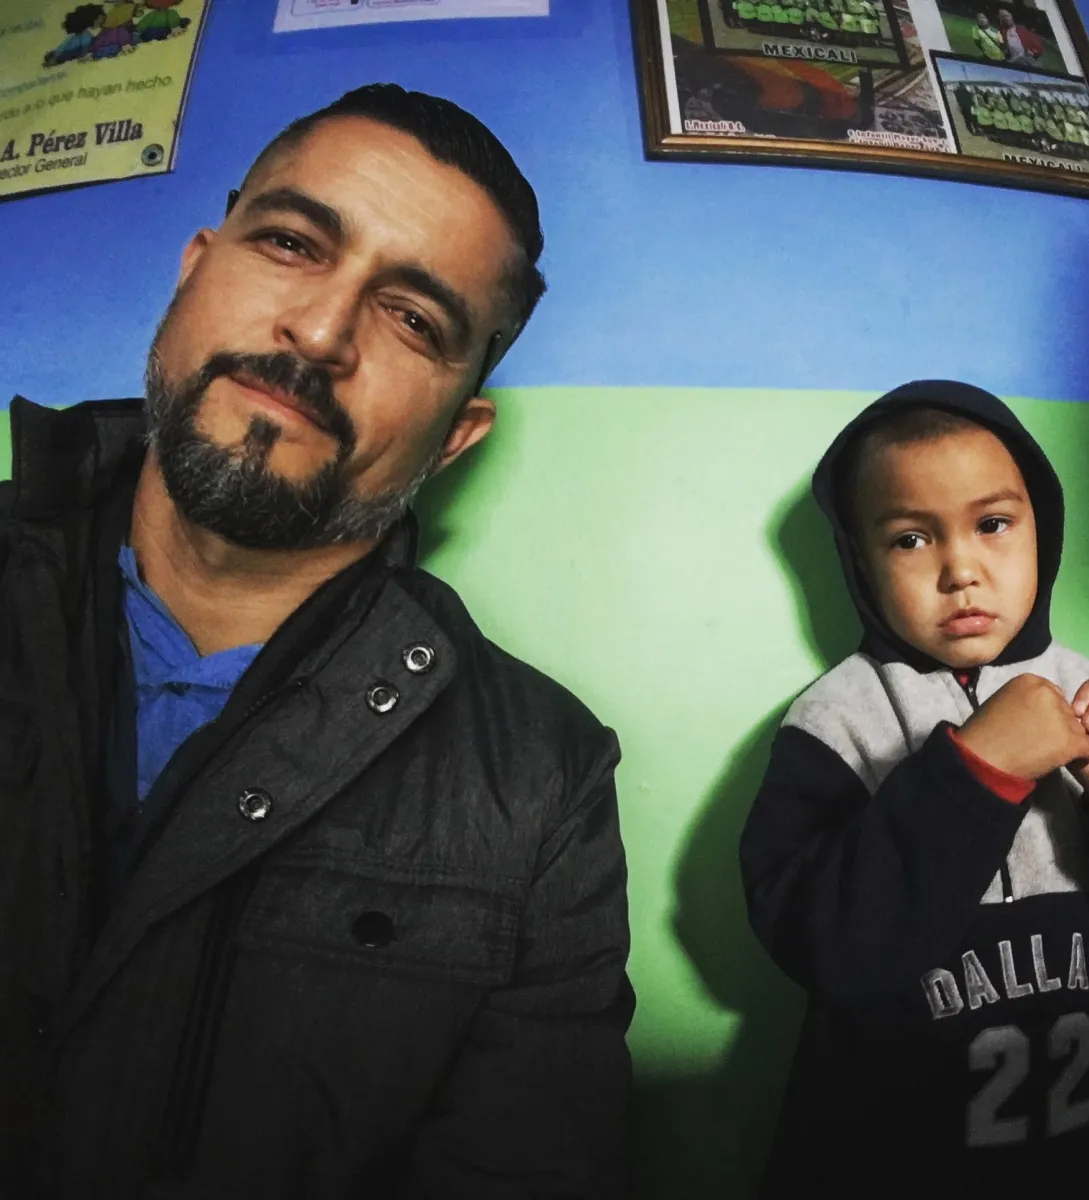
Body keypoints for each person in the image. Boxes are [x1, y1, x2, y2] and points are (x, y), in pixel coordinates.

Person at [0, 84, 633, 1198]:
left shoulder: (545, 779)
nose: (322, 333)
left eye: (412, 319)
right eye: (292, 243)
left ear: (457, 436)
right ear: (196, 264)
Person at [740, 380, 1089, 1198]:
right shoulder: (833, 721)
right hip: (883, 1167)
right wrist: (978, 771)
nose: (961, 570)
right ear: (859, 561)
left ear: (1041, 530)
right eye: (911, 539)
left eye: (993, 525)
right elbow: (821, 948)